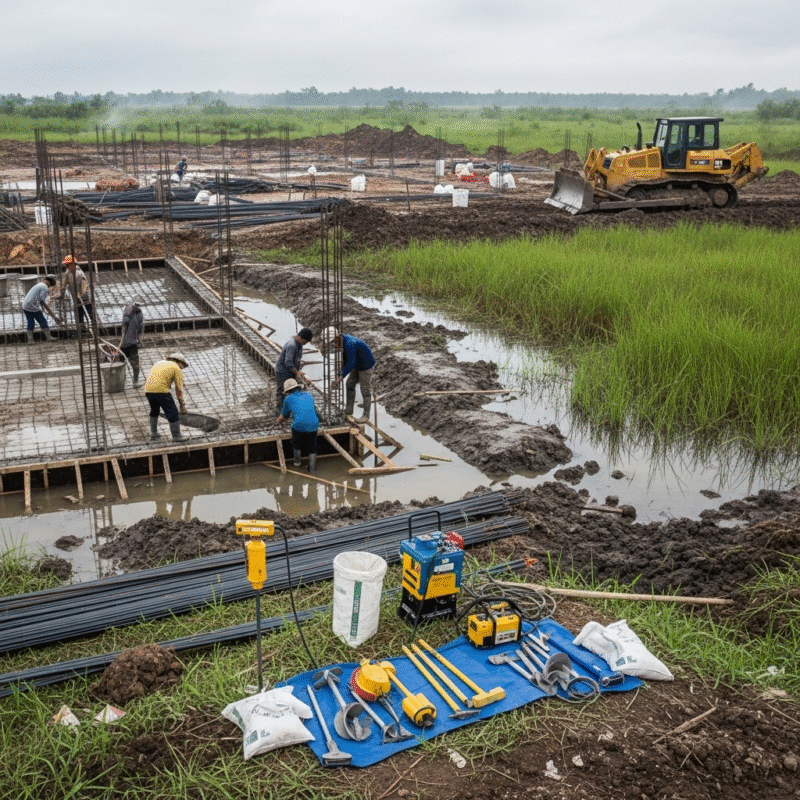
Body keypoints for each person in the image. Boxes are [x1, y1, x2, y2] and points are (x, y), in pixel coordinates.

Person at [323, 327, 375, 423]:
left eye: (334, 342)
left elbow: (350, 362)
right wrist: (339, 375)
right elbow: (345, 360)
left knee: (365, 390)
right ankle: (349, 409)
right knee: (349, 384)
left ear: (337, 337)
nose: (334, 345)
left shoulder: (349, 343)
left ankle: (366, 415)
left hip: (366, 364)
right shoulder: (344, 342)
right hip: (357, 364)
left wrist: (341, 377)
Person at [275, 378, 319, 471]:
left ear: (287, 391)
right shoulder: (309, 395)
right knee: (312, 446)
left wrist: (277, 421)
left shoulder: (288, 398)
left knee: (296, 444)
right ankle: (312, 469)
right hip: (314, 424)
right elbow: (312, 410)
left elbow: (285, 416)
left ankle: (297, 464)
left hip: (299, 425)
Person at [144, 352, 189, 441]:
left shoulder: (158, 363)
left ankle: (153, 433)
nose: (181, 368)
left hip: (148, 390)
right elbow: (179, 389)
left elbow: (157, 378)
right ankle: (176, 436)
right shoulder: (176, 368)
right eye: (182, 366)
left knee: (154, 410)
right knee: (172, 412)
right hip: (161, 391)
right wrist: (182, 405)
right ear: (179, 362)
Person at [274, 327, 313, 414]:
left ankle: (288, 410)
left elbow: (297, 361)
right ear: (300, 337)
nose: (305, 344)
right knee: (281, 391)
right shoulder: (292, 345)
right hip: (282, 371)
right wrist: (297, 373)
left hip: (291, 370)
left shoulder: (299, 345)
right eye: (304, 341)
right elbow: (288, 363)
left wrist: (301, 373)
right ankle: (279, 412)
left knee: (293, 390)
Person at [57, 255, 94, 328]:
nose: (66, 266)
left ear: (73, 264)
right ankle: (81, 324)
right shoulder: (68, 272)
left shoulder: (79, 273)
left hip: (84, 295)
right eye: (66, 265)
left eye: (68, 265)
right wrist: (60, 290)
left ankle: (93, 322)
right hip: (75, 295)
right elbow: (64, 283)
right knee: (79, 309)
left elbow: (84, 286)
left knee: (88, 308)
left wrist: (80, 294)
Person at [22, 275, 59, 342]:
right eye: (50, 286)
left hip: (25, 305)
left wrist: (42, 309)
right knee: (43, 321)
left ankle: (30, 340)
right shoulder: (45, 288)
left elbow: (39, 300)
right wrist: (52, 315)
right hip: (32, 306)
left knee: (31, 323)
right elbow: (42, 301)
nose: (49, 288)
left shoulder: (39, 285)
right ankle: (49, 337)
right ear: (49, 283)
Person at [118, 297, 145, 388]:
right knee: (135, 364)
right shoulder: (139, 313)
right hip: (132, 343)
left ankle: (119, 383)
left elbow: (124, 323)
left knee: (121, 363)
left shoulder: (127, 310)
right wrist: (138, 338)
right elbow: (140, 328)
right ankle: (135, 382)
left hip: (124, 343)